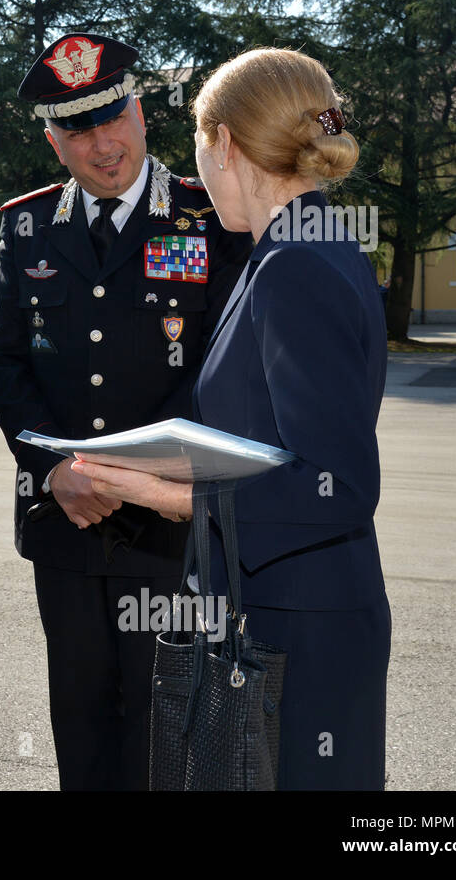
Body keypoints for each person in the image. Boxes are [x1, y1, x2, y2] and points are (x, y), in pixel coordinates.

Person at [69, 48, 390, 790]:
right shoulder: (304, 243)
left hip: (296, 626)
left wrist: (172, 494)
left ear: (224, 144)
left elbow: (337, 484)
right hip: (297, 607)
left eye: (198, 150)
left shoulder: (294, 265)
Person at [0, 33, 251, 790]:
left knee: (169, 723)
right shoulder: (29, 226)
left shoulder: (204, 220)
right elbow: (3, 359)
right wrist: (56, 468)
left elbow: (218, 365)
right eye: (77, 129)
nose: (102, 145)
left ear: (139, 109)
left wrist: (125, 475)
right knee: (82, 717)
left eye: (112, 118)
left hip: (167, 527)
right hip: (64, 520)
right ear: (53, 139)